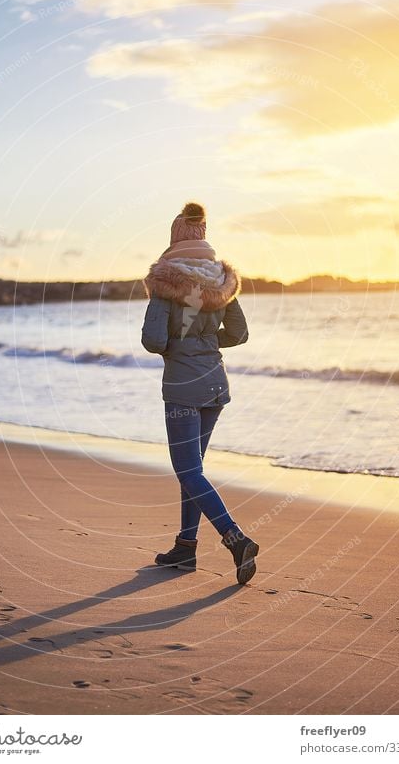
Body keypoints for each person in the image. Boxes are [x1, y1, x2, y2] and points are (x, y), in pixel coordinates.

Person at [141, 202, 259, 585]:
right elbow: (239, 334)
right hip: (215, 385)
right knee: (194, 471)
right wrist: (208, 343)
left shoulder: (165, 282)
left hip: (183, 387)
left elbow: (153, 340)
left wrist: (180, 347)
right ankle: (185, 547)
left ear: (175, 239)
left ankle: (235, 538)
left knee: (189, 470)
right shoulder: (222, 281)